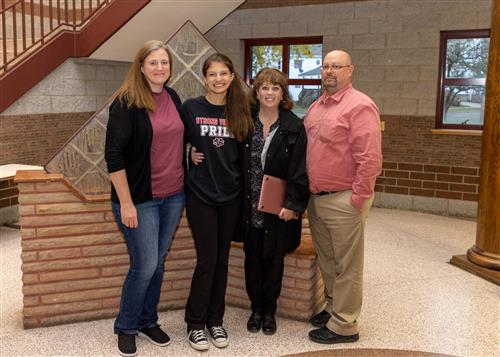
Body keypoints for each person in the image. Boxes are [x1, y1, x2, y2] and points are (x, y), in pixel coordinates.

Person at [105, 40, 186, 357]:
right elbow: (114, 157)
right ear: (141, 67)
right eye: (153, 62)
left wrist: (192, 158)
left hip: (174, 195)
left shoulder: (173, 96)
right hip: (139, 199)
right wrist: (126, 203)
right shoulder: (126, 103)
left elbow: (176, 139)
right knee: (145, 265)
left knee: (158, 264)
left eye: (164, 62)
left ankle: (147, 319)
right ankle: (126, 326)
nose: (160, 68)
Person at [304, 50, 382, 344]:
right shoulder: (317, 106)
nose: (329, 71)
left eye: (336, 66)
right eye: (325, 66)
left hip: (344, 199)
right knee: (329, 260)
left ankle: (345, 325)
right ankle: (333, 308)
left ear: (351, 70)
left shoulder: (359, 106)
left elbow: (370, 159)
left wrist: (358, 200)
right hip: (317, 199)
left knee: (347, 265)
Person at [182, 53, 254, 351]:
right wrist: (188, 155)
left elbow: (246, 155)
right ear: (205, 77)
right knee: (207, 259)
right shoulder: (191, 108)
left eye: (224, 73)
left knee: (222, 260)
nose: (218, 79)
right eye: (212, 74)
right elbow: (173, 141)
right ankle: (195, 323)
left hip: (231, 196)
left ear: (232, 76)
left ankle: (215, 320)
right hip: (200, 195)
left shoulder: (241, 110)